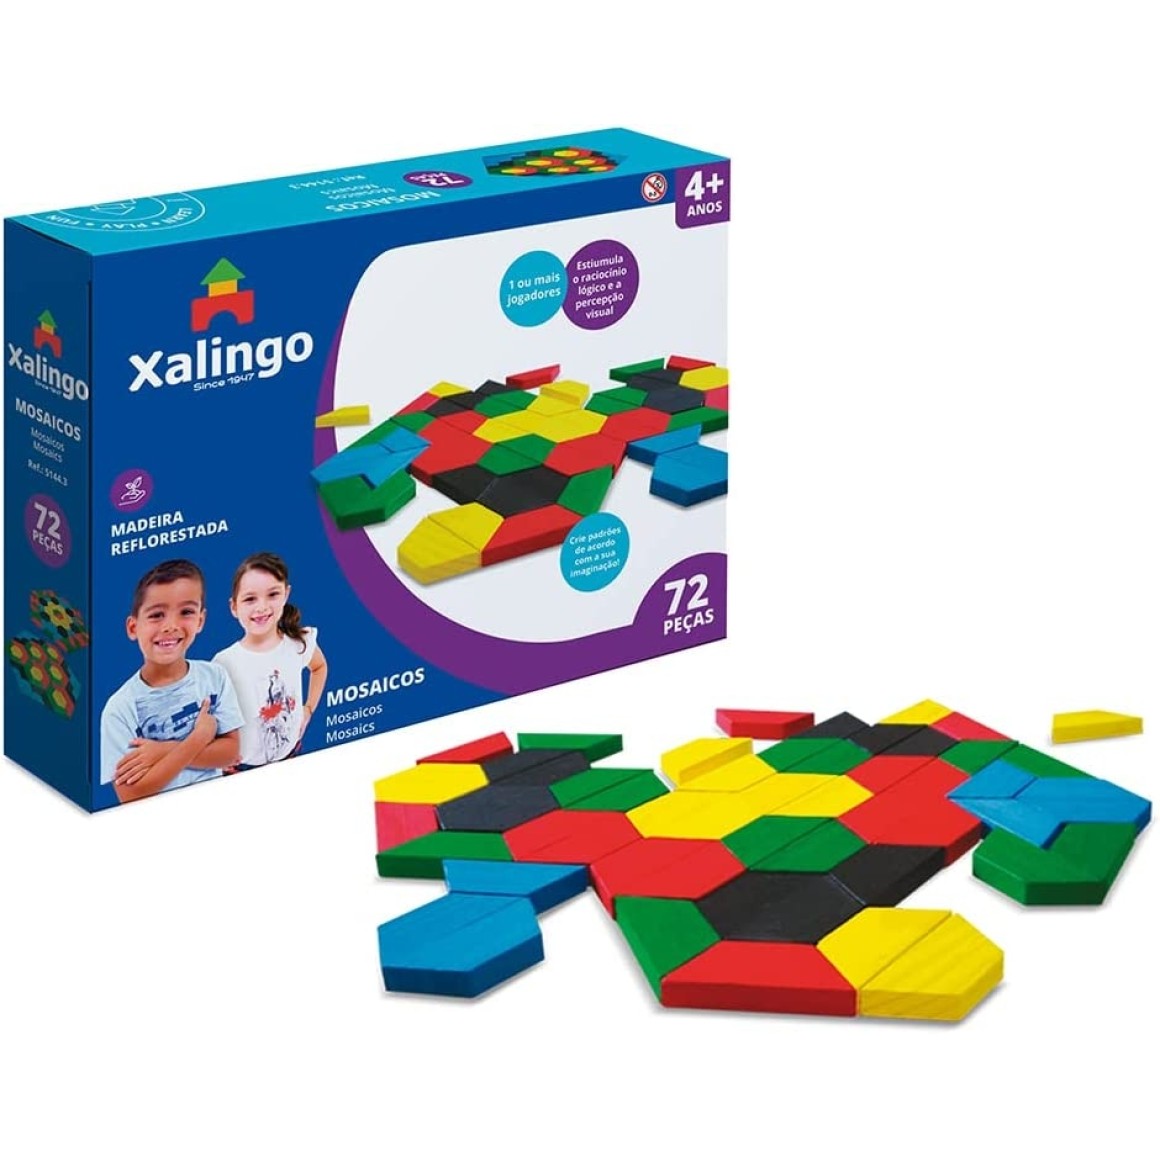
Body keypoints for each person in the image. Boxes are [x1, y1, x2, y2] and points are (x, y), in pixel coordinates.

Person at [100, 559, 243, 802]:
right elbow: (129, 794)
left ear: (200, 620)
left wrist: (163, 750)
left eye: (186, 612)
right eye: (156, 615)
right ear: (133, 627)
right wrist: (198, 739)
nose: (171, 626)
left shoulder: (215, 676)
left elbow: (231, 752)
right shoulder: (120, 708)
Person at [212, 552, 328, 771]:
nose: (261, 607)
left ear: (286, 594)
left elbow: (319, 667)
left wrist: (308, 709)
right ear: (234, 607)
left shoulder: (298, 642)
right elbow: (212, 718)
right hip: (243, 768)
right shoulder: (224, 662)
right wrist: (219, 752)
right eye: (250, 599)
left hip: (292, 754)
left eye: (273, 594)